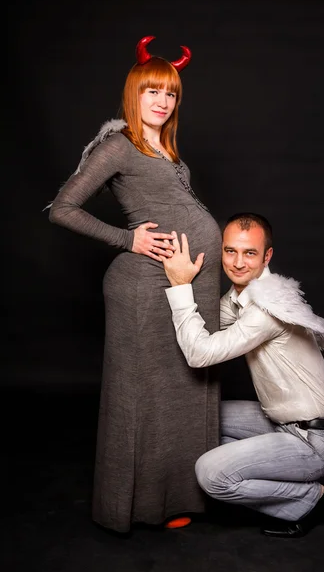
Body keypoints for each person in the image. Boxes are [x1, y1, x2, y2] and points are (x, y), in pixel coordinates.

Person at [47, 36, 222, 533]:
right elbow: (63, 209)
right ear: (133, 94)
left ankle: (176, 498)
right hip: (144, 288)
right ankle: (136, 507)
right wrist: (128, 239)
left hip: (186, 284)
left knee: (185, 391)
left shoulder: (164, 149)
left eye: (170, 94)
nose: (162, 102)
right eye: (152, 92)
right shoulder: (116, 146)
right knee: (144, 397)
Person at [160, 212, 324, 538]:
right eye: (230, 251)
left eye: (249, 253)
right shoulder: (237, 300)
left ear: (267, 256)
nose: (237, 263)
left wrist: (180, 286)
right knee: (195, 419)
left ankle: (308, 498)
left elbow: (200, 353)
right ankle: (250, 469)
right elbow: (200, 328)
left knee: (210, 472)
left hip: (318, 441)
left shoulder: (268, 306)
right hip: (277, 421)